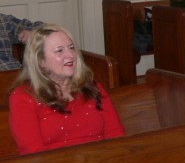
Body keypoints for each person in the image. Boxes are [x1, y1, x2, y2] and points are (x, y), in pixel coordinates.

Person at [8, 24, 125, 154]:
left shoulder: (92, 87)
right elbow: (33, 153)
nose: (71, 55)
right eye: (59, 51)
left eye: (71, 47)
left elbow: (115, 134)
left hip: (102, 160)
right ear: (41, 61)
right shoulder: (23, 97)